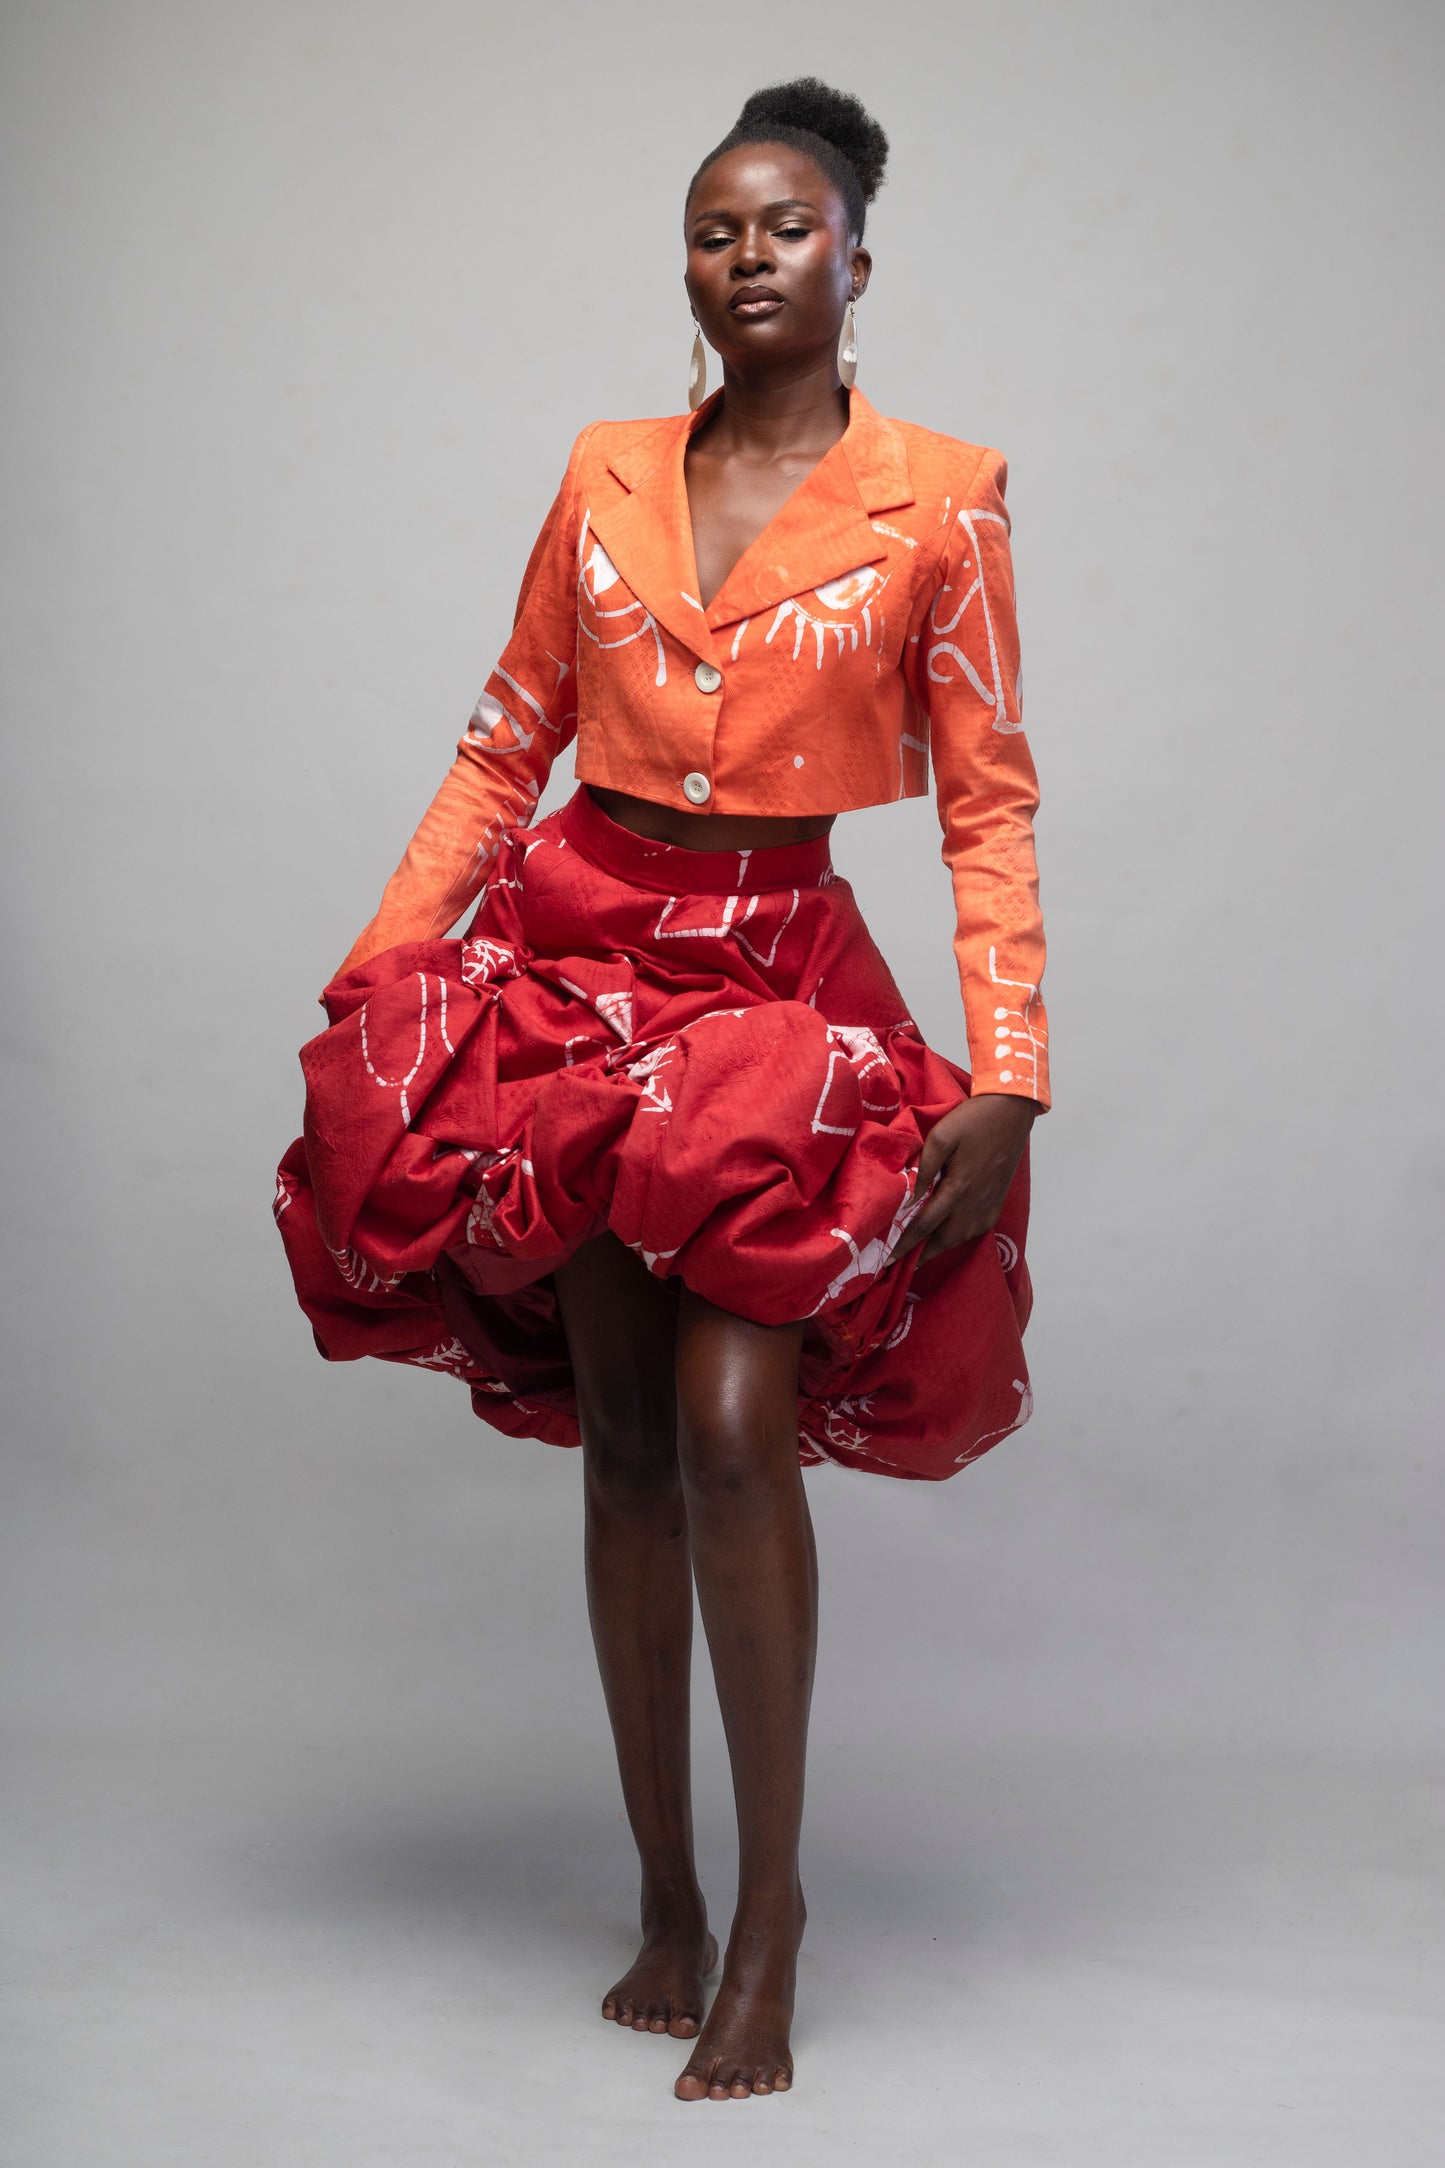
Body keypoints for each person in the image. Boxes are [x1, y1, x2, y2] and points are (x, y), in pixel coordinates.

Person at [274, 78, 1051, 2103]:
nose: (746, 256)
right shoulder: (605, 469)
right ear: (688, 264)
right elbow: (503, 735)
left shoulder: (943, 500)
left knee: (732, 1428)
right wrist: (384, 966)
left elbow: (989, 801)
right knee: (623, 1433)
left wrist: (1016, 1073)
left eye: (785, 225)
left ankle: (776, 1914)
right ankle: (666, 1893)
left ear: (856, 257)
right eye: (714, 227)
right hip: (576, 966)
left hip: (777, 988)